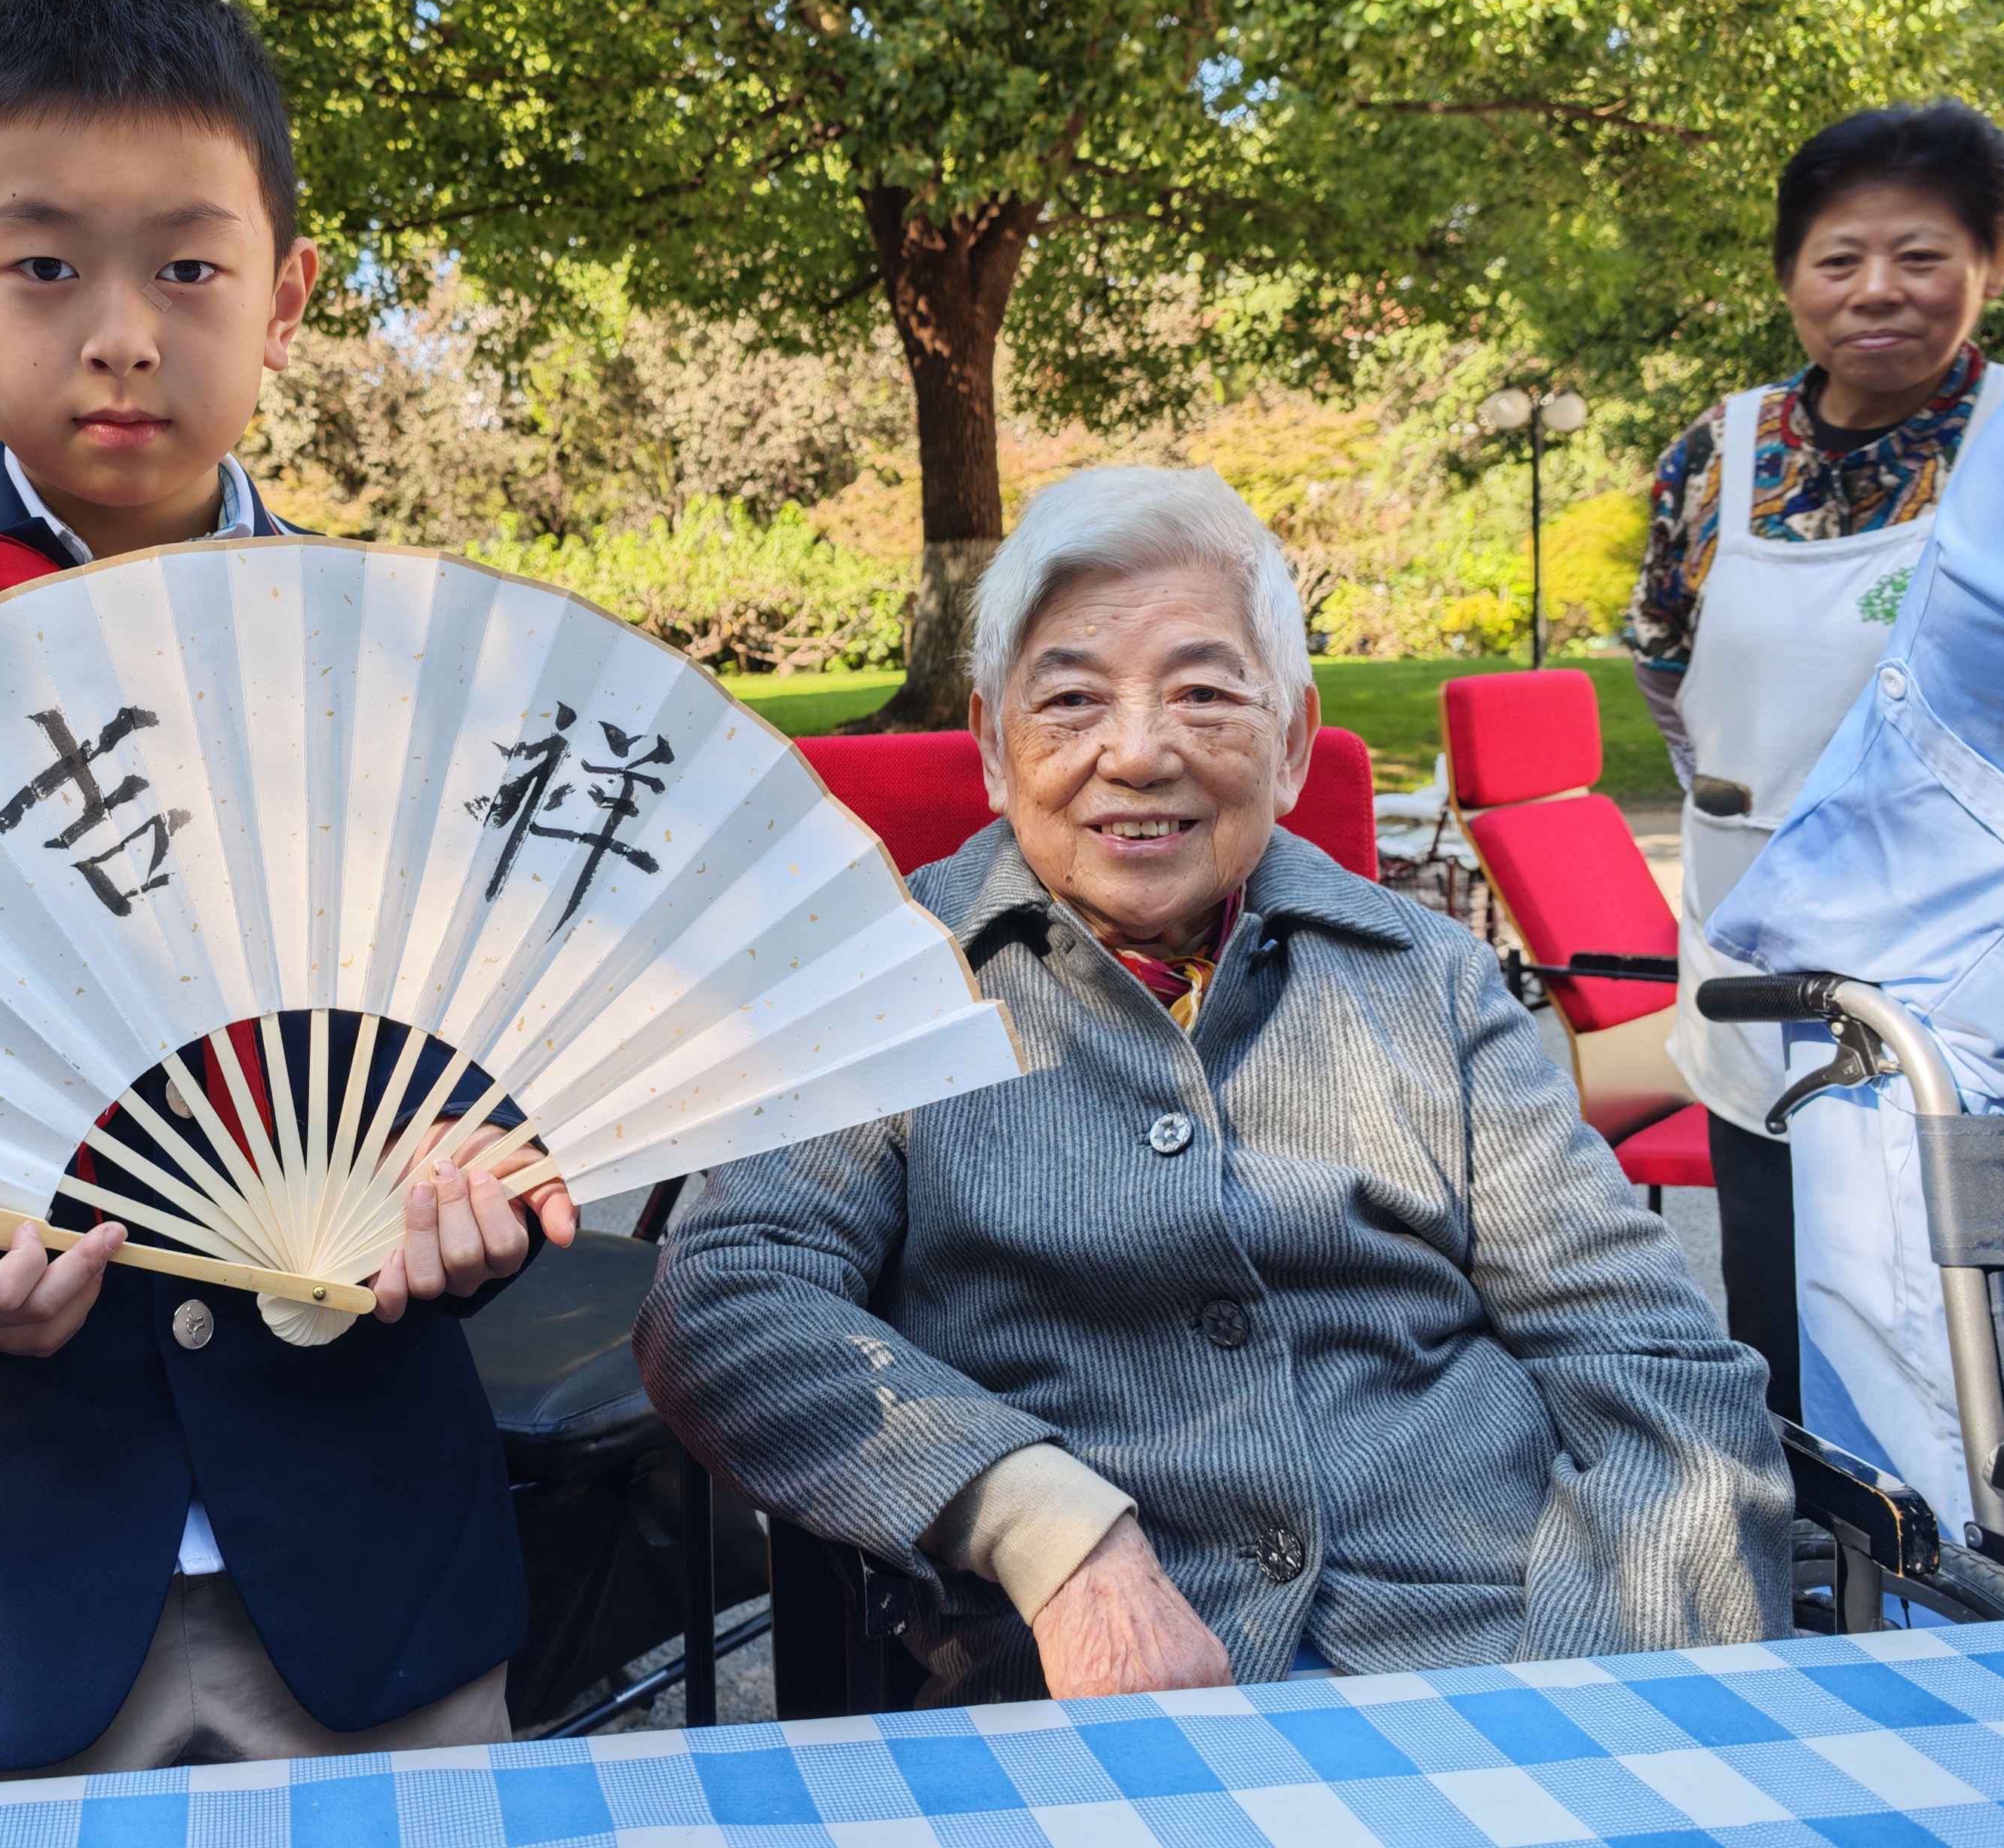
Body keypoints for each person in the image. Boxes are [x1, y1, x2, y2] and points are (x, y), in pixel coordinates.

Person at [0, 0, 578, 1791]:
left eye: (189, 268)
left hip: (366, 1580)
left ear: (286, 295)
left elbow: (500, 1040)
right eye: (47, 266)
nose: (123, 334)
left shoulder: (407, 653)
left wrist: (476, 1205)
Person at [635, 466, 1788, 1699]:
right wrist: (1048, 1532)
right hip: (1105, 1683)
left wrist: (1584, 1701)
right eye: (1070, 700)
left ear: (1290, 744)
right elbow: (727, 1302)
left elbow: (1647, 1357)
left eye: (1202, 693)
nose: (1138, 753)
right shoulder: (879, 985)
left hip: (1503, 1641)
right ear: (993, 748)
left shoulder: (1430, 978)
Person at [1630, 100, 2004, 1422]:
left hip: (1978, 966)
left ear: (1993, 264)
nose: (1878, 292)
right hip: (1758, 951)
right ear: (1791, 274)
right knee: (1781, 1305)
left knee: (1985, 1332)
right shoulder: (1718, 453)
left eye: (1922, 256)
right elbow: (1667, 666)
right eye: (1840, 258)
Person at [1709, 348, 2004, 1532]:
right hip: (1952, 995)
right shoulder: (1727, 451)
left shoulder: (2001, 410)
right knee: (1958, 1534)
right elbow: (1671, 665)